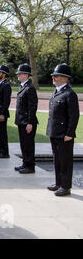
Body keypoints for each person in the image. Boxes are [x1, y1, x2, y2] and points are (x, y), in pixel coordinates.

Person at [46, 63, 80, 197]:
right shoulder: (57, 92)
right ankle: (58, 183)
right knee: (57, 159)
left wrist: (69, 133)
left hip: (64, 134)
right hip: (54, 132)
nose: (54, 78)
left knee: (65, 161)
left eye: (57, 76)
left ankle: (66, 186)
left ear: (65, 78)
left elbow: (74, 116)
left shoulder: (69, 94)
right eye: (54, 76)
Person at [14, 63, 38, 174]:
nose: (18, 75)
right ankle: (25, 163)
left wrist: (30, 122)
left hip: (27, 122)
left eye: (20, 74)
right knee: (24, 144)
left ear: (25, 75)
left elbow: (32, 107)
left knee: (28, 144)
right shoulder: (23, 86)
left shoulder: (30, 88)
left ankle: (30, 166)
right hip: (21, 120)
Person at [0, 65, 12, 159]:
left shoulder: (6, 86)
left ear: (4, 74)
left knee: (2, 133)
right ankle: (1, 151)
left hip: (1, 113)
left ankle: (4, 152)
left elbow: (6, 101)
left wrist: (3, 113)